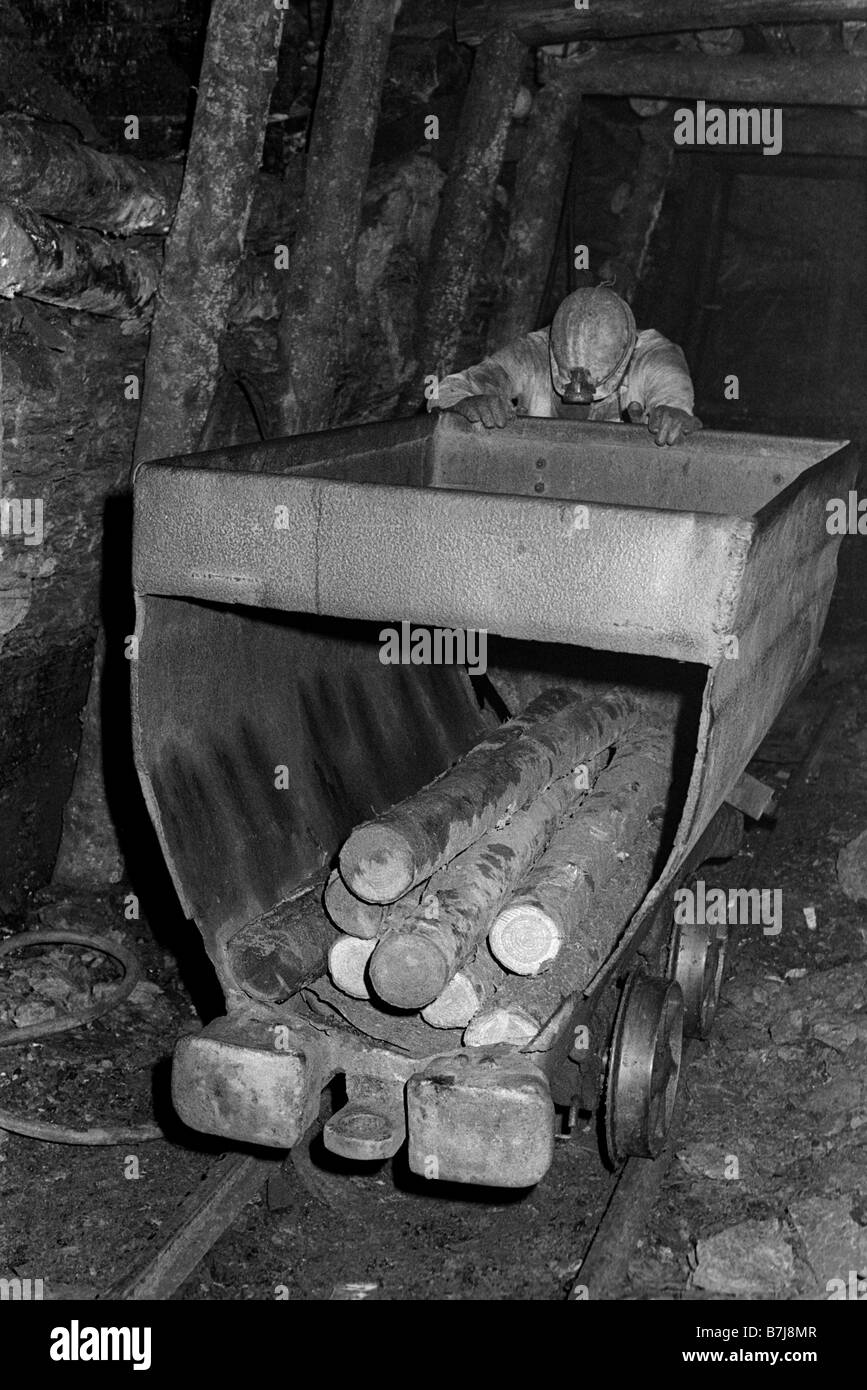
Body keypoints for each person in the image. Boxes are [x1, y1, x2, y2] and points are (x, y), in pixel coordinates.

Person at [431, 285, 701, 446]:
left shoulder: (655, 357)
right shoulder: (531, 353)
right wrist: (466, 404)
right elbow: (441, 392)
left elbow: (675, 404)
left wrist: (672, 416)